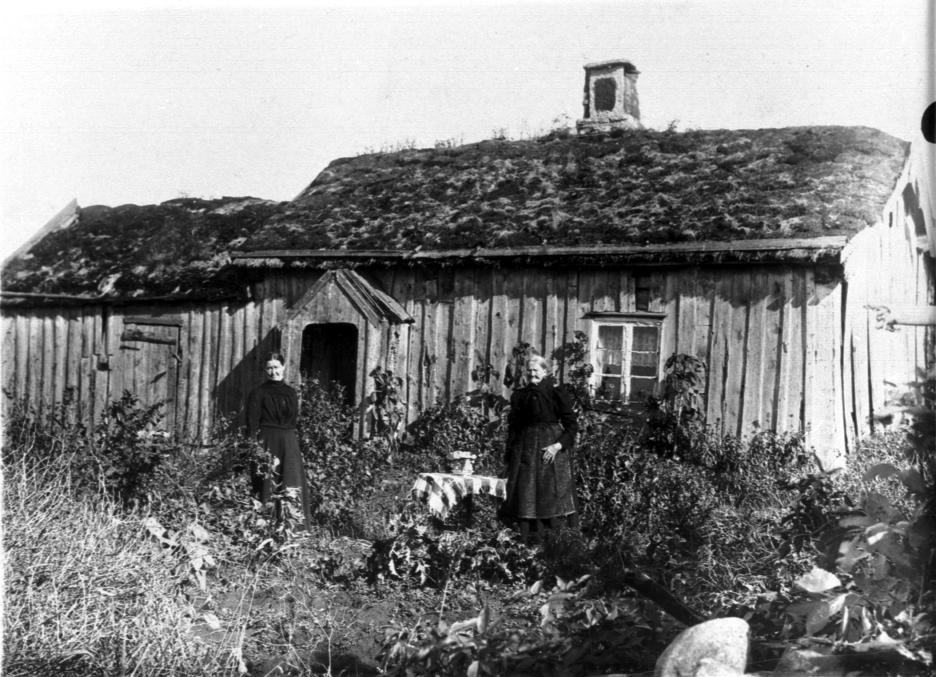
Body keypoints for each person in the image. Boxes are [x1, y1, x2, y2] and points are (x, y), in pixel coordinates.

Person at [501, 354, 579, 544]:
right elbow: (514, 428)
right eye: (529, 371)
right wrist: (509, 457)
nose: (532, 374)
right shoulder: (519, 395)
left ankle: (555, 544)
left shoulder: (556, 393)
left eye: (536, 370)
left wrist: (556, 446)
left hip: (550, 450)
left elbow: (571, 426)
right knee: (524, 493)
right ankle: (524, 543)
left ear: (545, 371)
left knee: (551, 494)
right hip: (525, 451)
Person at [245, 352, 312, 531]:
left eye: (276, 367)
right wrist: (254, 446)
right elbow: (252, 423)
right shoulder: (258, 393)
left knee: (291, 480)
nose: (273, 371)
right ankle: (268, 526)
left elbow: (293, 419)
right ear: (264, 370)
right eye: (269, 368)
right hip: (267, 441)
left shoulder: (291, 393)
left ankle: (293, 527)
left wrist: (290, 440)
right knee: (268, 481)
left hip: (288, 442)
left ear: (283, 367)